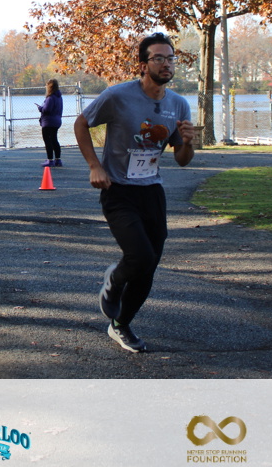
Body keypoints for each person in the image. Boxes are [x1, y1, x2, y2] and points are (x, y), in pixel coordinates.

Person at [75, 32, 195, 353]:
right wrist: (94, 166)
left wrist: (188, 142)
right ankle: (114, 280)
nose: (166, 64)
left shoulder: (178, 104)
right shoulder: (118, 96)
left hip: (151, 191)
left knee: (149, 264)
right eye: (159, 58)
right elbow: (81, 124)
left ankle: (121, 325)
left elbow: (182, 159)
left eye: (170, 58)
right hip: (117, 190)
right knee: (139, 257)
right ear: (143, 65)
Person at [37, 79, 64, 166]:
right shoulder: (59, 97)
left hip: (48, 122)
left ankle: (50, 160)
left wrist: (40, 108)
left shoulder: (50, 98)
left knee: (47, 141)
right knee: (54, 140)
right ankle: (58, 159)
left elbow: (46, 110)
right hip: (57, 121)